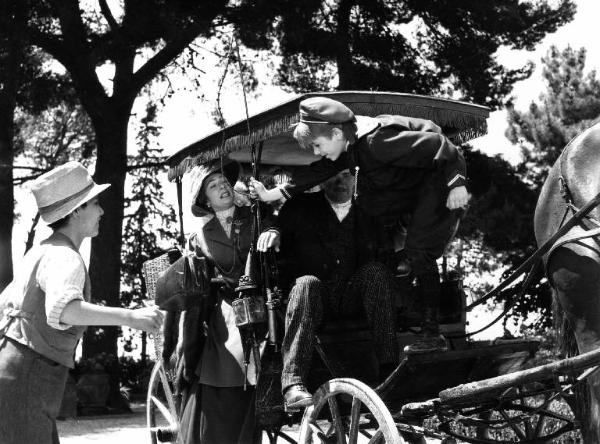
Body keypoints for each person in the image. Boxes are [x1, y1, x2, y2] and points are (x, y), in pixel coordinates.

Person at [250, 97, 469, 354]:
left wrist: (457, 183)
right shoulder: (349, 145)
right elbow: (318, 171)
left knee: (419, 252)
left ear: (335, 132)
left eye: (317, 145)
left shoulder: (376, 143)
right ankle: (412, 307)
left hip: (439, 189)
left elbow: (439, 145)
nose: (317, 152)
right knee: (395, 240)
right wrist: (271, 194)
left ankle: (432, 335)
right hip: (413, 197)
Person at [0, 161, 164, 444]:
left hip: (14, 372)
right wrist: (131, 317)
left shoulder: (41, 252)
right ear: (76, 211)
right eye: (95, 203)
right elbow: (65, 309)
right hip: (27, 376)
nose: (101, 211)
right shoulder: (65, 257)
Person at [257, 169, 399, 411]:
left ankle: (389, 371)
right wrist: (273, 231)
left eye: (345, 176)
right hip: (312, 299)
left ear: (355, 179)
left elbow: (387, 254)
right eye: (332, 176)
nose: (339, 182)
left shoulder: (369, 211)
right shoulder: (300, 206)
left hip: (353, 298)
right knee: (306, 283)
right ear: (321, 180)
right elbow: (277, 225)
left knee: (376, 271)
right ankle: (293, 383)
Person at [161, 159, 261, 444]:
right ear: (205, 199)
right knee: (229, 355)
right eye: (213, 186)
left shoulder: (256, 216)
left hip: (264, 299)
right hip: (226, 307)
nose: (222, 188)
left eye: (225, 182)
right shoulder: (200, 237)